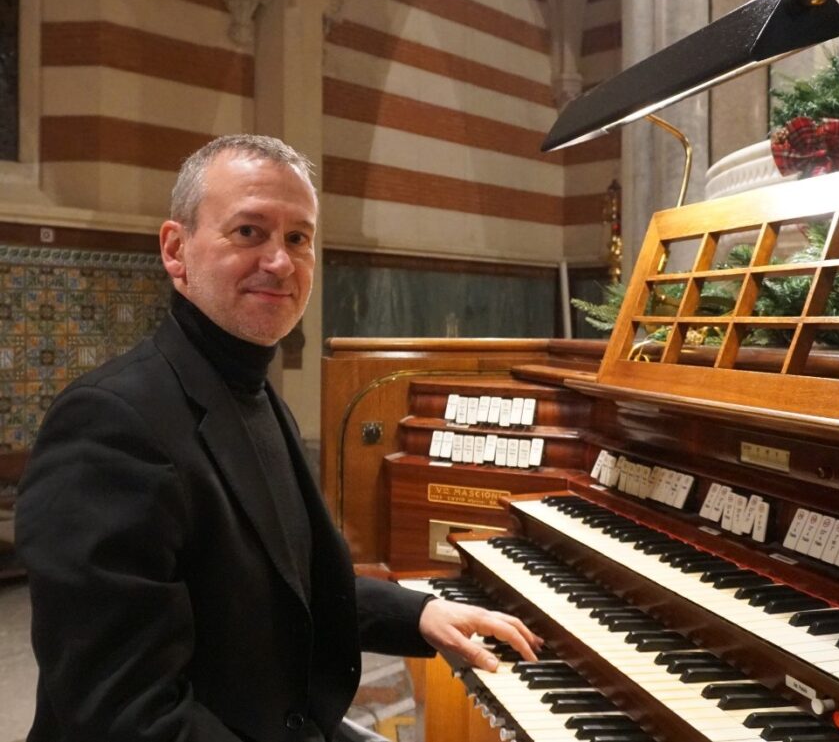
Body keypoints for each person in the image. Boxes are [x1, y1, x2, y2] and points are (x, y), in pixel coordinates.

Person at [16, 135, 542, 742]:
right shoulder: (110, 424)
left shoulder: (255, 397)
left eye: (298, 238)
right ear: (175, 249)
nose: (280, 262)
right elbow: (125, 714)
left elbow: (288, 582)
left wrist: (422, 612)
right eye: (248, 232)